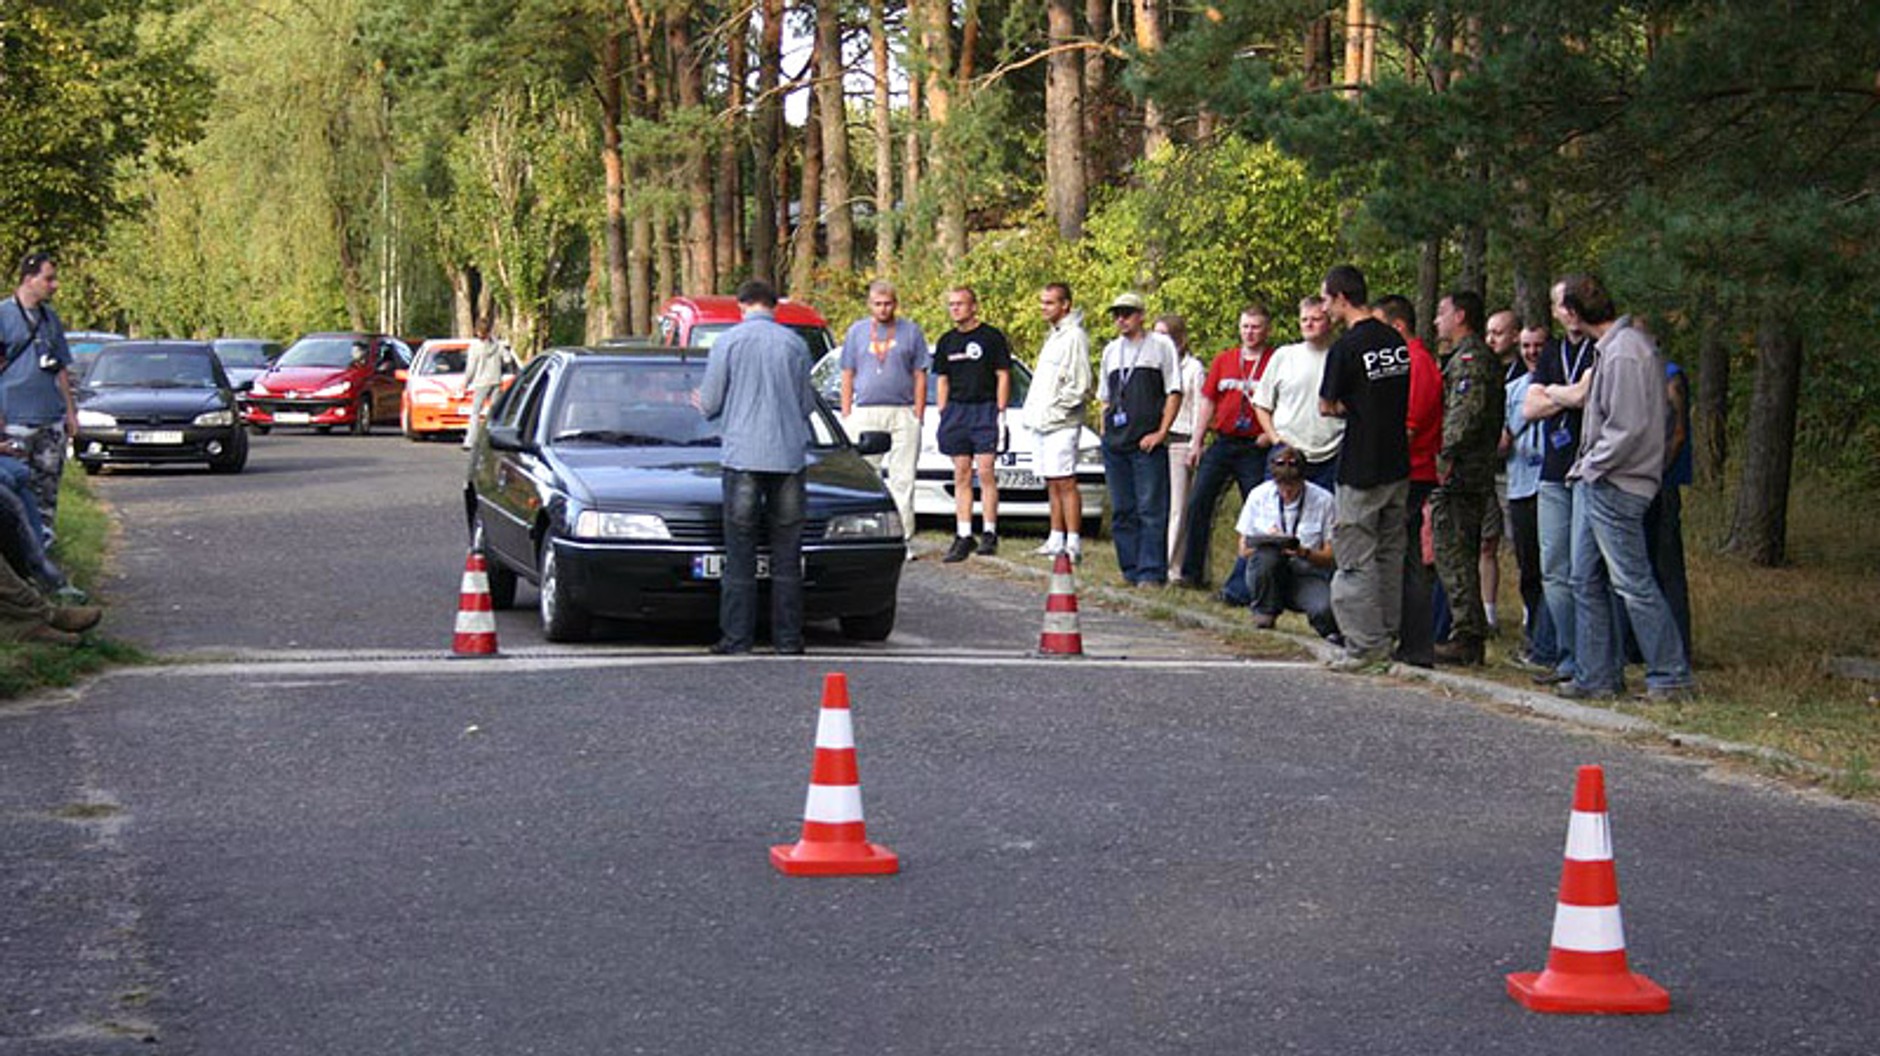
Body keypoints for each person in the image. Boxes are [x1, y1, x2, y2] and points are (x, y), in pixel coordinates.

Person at [1545, 274, 1694, 700]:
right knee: (1584, 577)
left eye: (1559, 307)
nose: (1557, 314)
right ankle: (1598, 675)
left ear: (1574, 312)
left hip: (1616, 483)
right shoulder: (1613, 348)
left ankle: (1670, 674)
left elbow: (1626, 428)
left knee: (1631, 580)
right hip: (1600, 480)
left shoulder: (1626, 352)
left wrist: (1589, 466)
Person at [695, 279, 821, 656]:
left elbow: (711, 402)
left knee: (740, 550)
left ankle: (737, 638)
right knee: (787, 551)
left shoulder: (728, 342)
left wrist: (699, 402)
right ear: (773, 306)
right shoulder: (795, 344)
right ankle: (788, 638)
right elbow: (806, 405)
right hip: (787, 457)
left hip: (742, 456)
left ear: (742, 305)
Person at [1317, 265, 1411, 671]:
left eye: (1325, 299)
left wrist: (1349, 408)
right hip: (1397, 461)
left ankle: (1364, 646)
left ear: (1341, 297)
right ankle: (1387, 633)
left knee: (1355, 558)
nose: (1323, 307)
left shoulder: (1346, 348)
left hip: (1360, 465)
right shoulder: (1395, 340)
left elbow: (1327, 404)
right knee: (1390, 554)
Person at [1521, 282, 1598, 686]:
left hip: (1588, 469)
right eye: (1554, 305)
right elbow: (1531, 407)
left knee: (1584, 569)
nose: (1560, 311)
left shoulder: (1599, 348)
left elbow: (1590, 396)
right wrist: (1566, 393)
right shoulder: (1552, 353)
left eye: (1564, 304)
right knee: (1554, 568)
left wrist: (1557, 394)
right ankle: (1567, 655)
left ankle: (1592, 660)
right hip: (1552, 471)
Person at [1176, 305, 1277, 588]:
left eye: (1256, 327)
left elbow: (1285, 401)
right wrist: (1197, 441)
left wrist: (1271, 435)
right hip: (1223, 441)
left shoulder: (1275, 361)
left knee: (1257, 511)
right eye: (1245, 326)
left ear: (1266, 330)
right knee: (1198, 503)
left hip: (1256, 446)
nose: (1250, 332)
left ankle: (1250, 582)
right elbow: (1207, 401)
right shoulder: (1225, 360)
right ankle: (1192, 573)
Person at [1429, 291, 1505, 666]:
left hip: (1462, 474)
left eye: (1442, 313)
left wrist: (1443, 457)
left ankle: (1467, 636)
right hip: (1464, 471)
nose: (1436, 321)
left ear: (1459, 316)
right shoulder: (1461, 358)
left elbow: (1465, 415)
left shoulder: (1471, 360)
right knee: (1453, 552)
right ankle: (1465, 632)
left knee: (1455, 553)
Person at [1097, 292, 1183, 586]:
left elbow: (1174, 390)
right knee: (1123, 509)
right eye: (1117, 314)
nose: (1122, 319)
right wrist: (1105, 432)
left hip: (1147, 443)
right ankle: (1129, 569)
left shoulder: (1160, 346)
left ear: (1141, 315)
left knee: (1151, 509)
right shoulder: (1111, 351)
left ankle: (1151, 572)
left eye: (1128, 313)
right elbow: (1105, 398)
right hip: (1116, 443)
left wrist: (1161, 432)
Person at [1376, 295, 1441, 668]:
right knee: (1402, 557)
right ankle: (1408, 638)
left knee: (1407, 559)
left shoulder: (1416, 363)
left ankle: (1417, 642)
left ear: (1398, 327)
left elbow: (1409, 427)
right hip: (1407, 470)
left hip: (1412, 472)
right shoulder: (1409, 362)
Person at [839, 280, 930, 541]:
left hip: (902, 411)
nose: (883, 309)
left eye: (888, 303)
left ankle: (904, 539)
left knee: (903, 478)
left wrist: (918, 413)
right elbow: (847, 372)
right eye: (878, 304)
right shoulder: (856, 332)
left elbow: (920, 374)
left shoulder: (911, 331)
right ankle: (866, 534)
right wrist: (847, 412)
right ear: (869, 304)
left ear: (895, 304)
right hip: (865, 411)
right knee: (866, 476)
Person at [0, 252, 80, 537]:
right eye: (48, 278)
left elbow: (61, 369)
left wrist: (70, 413)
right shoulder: (4, 316)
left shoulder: (50, 319)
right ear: (28, 279)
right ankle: (21, 558)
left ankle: (46, 551)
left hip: (50, 421)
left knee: (47, 494)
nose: (54, 285)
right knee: (16, 495)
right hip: (15, 421)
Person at [933, 286, 1012, 562]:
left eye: (960, 304)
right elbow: (942, 379)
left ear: (973, 307)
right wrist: (943, 412)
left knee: (986, 471)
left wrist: (1000, 412)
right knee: (961, 473)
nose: (955, 309)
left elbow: (1003, 374)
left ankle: (989, 531)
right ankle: (964, 533)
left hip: (985, 410)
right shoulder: (946, 341)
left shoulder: (991, 337)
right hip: (956, 411)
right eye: (951, 304)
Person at [1235, 444, 1339, 640]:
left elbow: (1331, 556)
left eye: (1293, 487)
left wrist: (1303, 552)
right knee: (1267, 557)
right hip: (1267, 571)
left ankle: (1328, 629)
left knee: (1323, 609)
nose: (1287, 493)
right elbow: (1243, 550)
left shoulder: (1324, 501)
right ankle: (1265, 613)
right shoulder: (1259, 496)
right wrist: (1269, 542)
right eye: (1282, 487)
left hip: (1306, 572)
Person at [1022, 282, 1093, 561]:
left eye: (1050, 302)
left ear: (1065, 305)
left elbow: (1080, 382)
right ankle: (1055, 537)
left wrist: (1058, 410)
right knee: (1052, 481)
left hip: (1060, 423)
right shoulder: (1054, 336)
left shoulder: (1074, 336)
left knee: (1065, 481)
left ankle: (1073, 541)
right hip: (1042, 422)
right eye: (1042, 302)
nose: (1044, 307)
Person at [1504, 324, 1559, 669]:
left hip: (1549, 484)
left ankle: (1546, 639)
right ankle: (1534, 631)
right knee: (1528, 568)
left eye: (1538, 345)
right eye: (1526, 345)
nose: (1532, 352)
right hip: (1519, 483)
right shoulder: (1512, 389)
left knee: (1551, 566)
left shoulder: (1558, 385)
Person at [1253, 297, 1343, 493]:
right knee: (1276, 514)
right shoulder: (1284, 356)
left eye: (1316, 319)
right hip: (1286, 451)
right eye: (1304, 320)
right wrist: (1274, 437)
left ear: (1330, 321)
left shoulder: (1342, 356)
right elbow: (1261, 403)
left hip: (1331, 454)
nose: (1309, 324)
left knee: (1325, 518)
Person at [1479, 308, 1523, 629]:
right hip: (1484, 469)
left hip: (1515, 469)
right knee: (1485, 542)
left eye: (1499, 332)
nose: (1492, 339)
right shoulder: (1483, 369)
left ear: (1515, 335)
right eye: (1489, 332)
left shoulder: (1524, 373)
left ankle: (1530, 613)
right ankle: (1487, 612)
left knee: (1520, 543)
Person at [1157, 314, 1207, 580]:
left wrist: (1195, 443)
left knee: (1179, 507)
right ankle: (1158, 560)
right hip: (1158, 440)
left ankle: (1172, 566)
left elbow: (1201, 407)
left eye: (1165, 335)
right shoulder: (1157, 365)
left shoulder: (1193, 369)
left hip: (1181, 439)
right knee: (1159, 505)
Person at [462, 320, 510, 450]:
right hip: (495, 380)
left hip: (481, 383)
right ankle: (491, 439)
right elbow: (507, 359)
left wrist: (465, 383)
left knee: (476, 412)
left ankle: (470, 441)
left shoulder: (475, 347)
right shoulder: (498, 345)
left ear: (478, 332)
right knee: (494, 412)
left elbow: (471, 368)